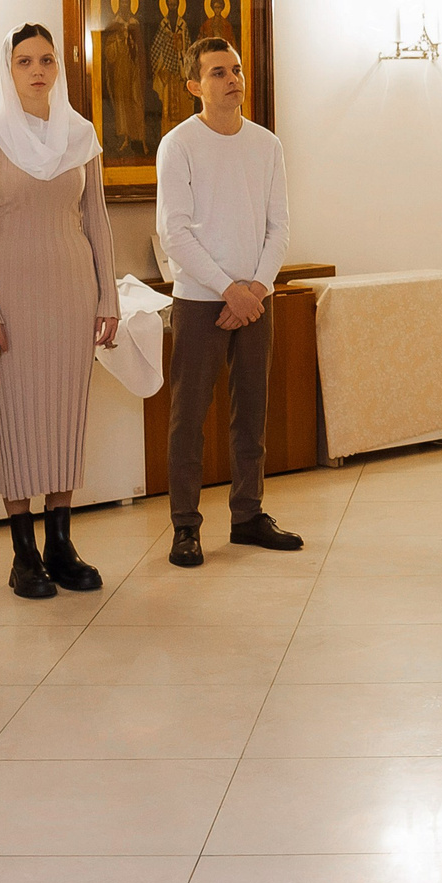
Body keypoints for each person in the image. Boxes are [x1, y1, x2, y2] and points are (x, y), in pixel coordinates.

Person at [0, 24, 122, 600]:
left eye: (47, 60)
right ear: (8, 67)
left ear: (59, 67)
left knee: (66, 417)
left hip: (73, 291)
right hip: (12, 295)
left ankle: (61, 544)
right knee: (19, 419)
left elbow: (97, 221)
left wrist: (110, 297)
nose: (36, 70)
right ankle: (23, 552)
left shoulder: (81, 134)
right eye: (24, 60)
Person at [155, 36, 302, 566]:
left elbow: (279, 227)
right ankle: (185, 527)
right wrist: (228, 289)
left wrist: (256, 287)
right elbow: (175, 233)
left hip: (256, 299)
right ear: (194, 85)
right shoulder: (178, 144)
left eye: (236, 69)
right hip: (201, 300)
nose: (231, 79)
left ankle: (247, 515)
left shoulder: (267, 145)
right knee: (188, 418)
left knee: (252, 413)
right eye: (218, 72)